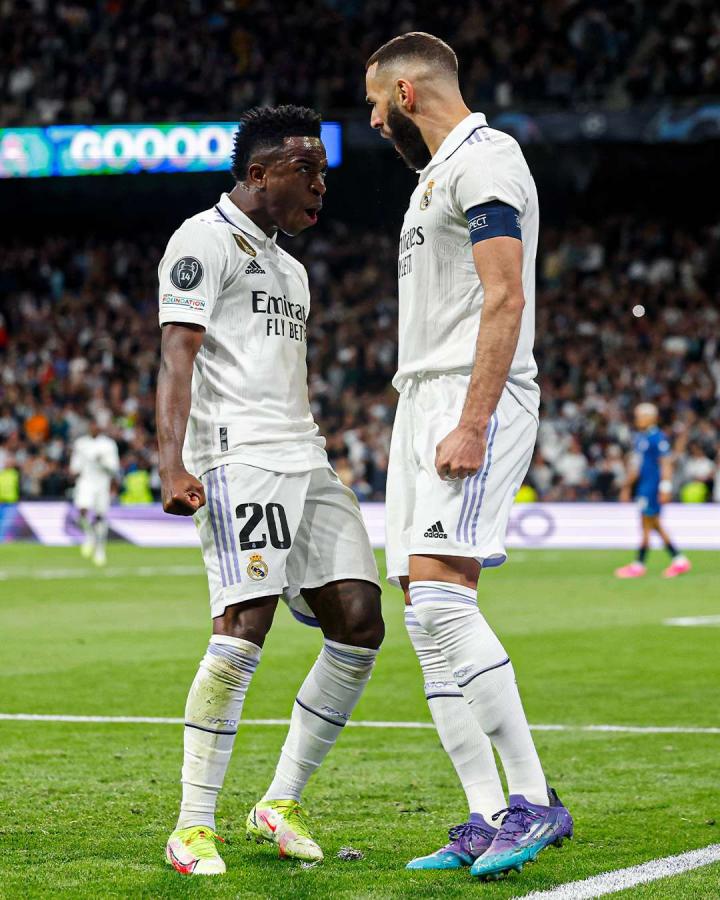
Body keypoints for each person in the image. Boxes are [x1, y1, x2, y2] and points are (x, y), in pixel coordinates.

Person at [365, 33, 572, 880]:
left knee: (445, 599)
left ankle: (533, 800)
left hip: (469, 396)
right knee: (424, 612)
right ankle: (487, 817)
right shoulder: (433, 179)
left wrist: (474, 420)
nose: (371, 120)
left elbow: (506, 295)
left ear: (406, 94)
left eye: (373, 102)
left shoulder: (486, 159)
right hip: (422, 396)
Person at [157, 105, 383, 877]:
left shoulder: (292, 269)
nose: (320, 185)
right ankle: (191, 826)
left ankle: (278, 801)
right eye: (305, 170)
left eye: (322, 171)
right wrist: (171, 464)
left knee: (359, 619)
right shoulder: (202, 240)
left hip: (303, 455)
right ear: (258, 174)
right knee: (243, 626)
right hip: (237, 457)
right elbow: (177, 355)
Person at [615, 403, 691, 578]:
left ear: (651, 417)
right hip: (644, 487)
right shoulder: (641, 437)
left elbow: (666, 463)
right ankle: (677, 560)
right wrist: (627, 486)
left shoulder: (657, 438)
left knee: (648, 524)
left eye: (640, 416)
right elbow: (637, 466)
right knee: (651, 524)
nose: (637, 419)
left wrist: (665, 487)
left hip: (652, 488)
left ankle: (641, 564)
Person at [69, 421, 119, 566]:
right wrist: (73, 470)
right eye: (91, 426)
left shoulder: (108, 444)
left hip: (102, 483)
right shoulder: (81, 444)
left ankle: (100, 549)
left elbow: (114, 468)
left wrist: (102, 461)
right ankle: (89, 535)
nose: (94, 428)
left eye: (96, 426)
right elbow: (75, 466)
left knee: (100, 516)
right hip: (85, 481)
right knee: (82, 510)